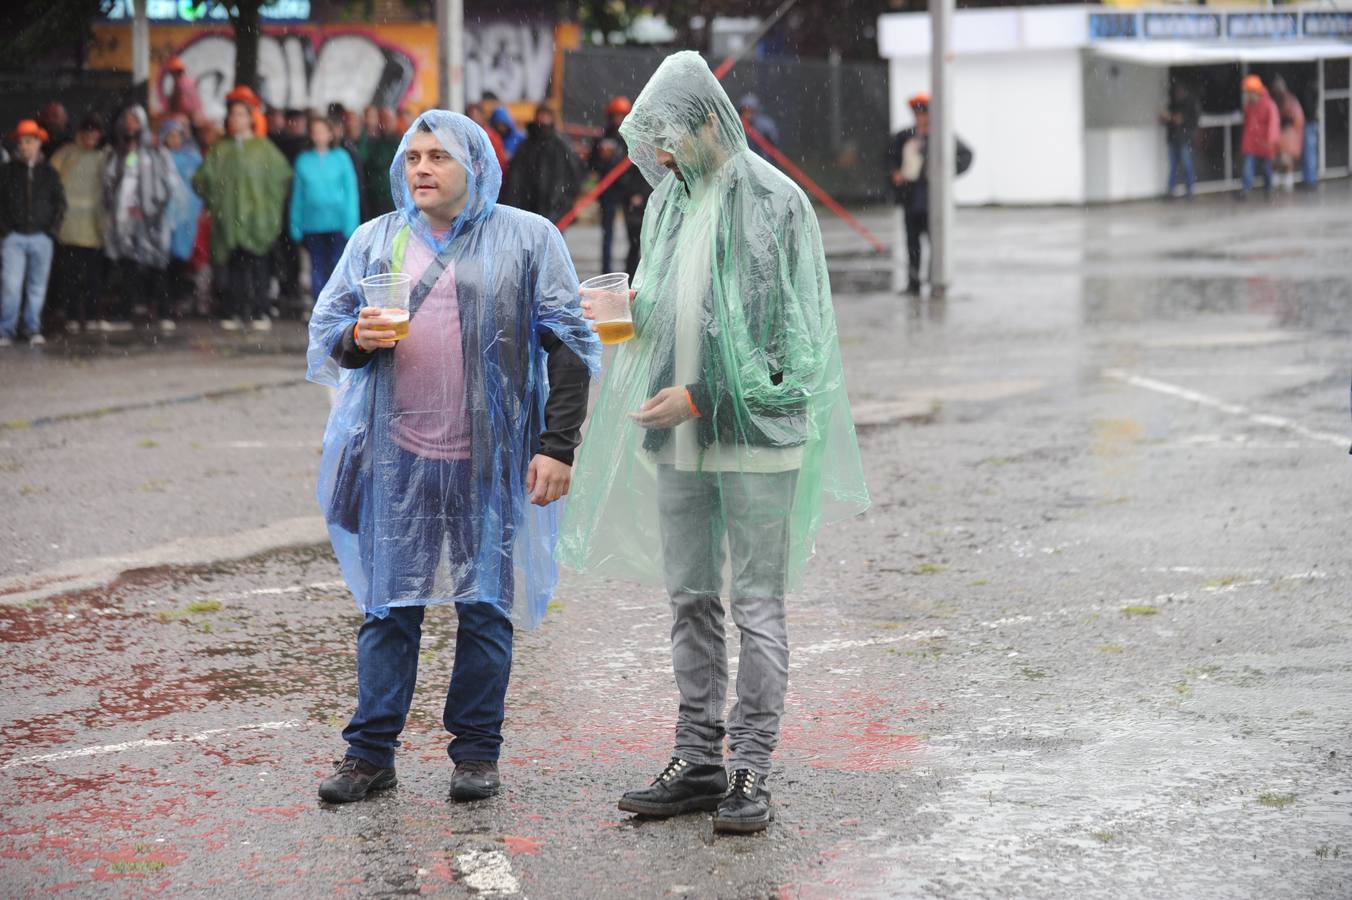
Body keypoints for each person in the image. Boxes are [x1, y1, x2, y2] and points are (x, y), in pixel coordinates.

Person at [556, 51, 870, 835]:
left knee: (757, 607)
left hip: (758, 441)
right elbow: (672, 303)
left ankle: (750, 770)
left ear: (705, 122)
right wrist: (630, 310)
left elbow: (794, 345)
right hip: (680, 437)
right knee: (690, 600)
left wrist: (705, 394)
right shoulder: (670, 204)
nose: (657, 154)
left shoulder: (774, 202)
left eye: (666, 135)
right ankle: (698, 760)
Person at [306, 110, 599, 805]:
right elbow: (329, 333)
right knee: (388, 609)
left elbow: (572, 346)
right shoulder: (377, 241)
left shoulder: (529, 238)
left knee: (485, 606)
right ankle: (369, 754)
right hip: (396, 458)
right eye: (412, 158)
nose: (422, 170)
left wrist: (558, 447)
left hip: (487, 462)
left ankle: (476, 752)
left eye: (438, 156)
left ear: (477, 166)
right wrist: (358, 336)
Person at [193, 98, 292, 331]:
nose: (237, 119)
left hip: (258, 219)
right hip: (229, 219)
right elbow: (202, 179)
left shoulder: (263, 148)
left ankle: (260, 309)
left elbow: (281, 178)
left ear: (250, 118)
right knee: (233, 266)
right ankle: (233, 309)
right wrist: (217, 203)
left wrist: (267, 209)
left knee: (259, 266)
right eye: (233, 114)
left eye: (241, 114)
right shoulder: (221, 149)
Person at [103, 105, 182, 332]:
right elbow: (111, 181)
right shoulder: (119, 153)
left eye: (134, 120)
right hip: (124, 218)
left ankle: (163, 311)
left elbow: (168, 183)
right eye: (126, 120)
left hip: (152, 218)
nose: (130, 125)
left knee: (157, 264)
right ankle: (125, 311)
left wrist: (151, 207)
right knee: (128, 264)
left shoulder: (156, 152)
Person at [886, 92, 973, 295]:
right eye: (917, 114)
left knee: (936, 245)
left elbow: (965, 155)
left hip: (933, 201)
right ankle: (914, 283)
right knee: (912, 244)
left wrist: (945, 172)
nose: (920, 118)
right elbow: (890, 159)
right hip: (911, 199)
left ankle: (937, 283)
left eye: (924, 113)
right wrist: (895, 174)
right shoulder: (905, 136)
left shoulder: (942, 137)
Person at [0, 119, 65, 346]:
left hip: (40, 236)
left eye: (29, 141)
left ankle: (32, 328)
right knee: (11, 285)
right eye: (22, 142)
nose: (25, 146)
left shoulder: (49, 172)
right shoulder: (7, 172)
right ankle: (6, 329)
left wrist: (50, 231)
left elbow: (59, 203)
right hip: (14, 237)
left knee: (37, 286)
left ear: (38, 143)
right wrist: (5, 231)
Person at [290, 114, 359, 310]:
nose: (319, 135)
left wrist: (351, 222)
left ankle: (337, 308)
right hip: (312, 223)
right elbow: (298, 195)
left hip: (338, 223)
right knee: (317, 266)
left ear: (330, 134)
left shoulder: (342, 158)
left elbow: (351, 192)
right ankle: (320, 308)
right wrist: (295, 223)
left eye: (323, 131)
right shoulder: (303, 160)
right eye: (315, 132)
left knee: (338, 266)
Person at [50, 113, 108, 332]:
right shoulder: (67, 154)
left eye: (95, 135)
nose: (90, 139)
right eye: (87, 134)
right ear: (81, 134)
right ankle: (73, 315)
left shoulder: (104, 156)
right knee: (71, 276)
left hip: (93, 226)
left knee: (92, 276)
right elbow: (51, 179)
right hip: (70, 227)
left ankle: (91, 316)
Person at [588, 96, 651, 278]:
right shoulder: (604, 137)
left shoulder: (633, 137)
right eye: (615, 116)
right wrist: (602, 162)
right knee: (607, 234)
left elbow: (639, 166)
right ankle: (606, 272)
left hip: (628, 192)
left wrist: (638, 192)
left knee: (634, 235)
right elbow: (593, 163)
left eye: (622, 115)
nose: (619, 120)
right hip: (609, 192)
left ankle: (631, 272)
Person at [501, 104, 583, 223]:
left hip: (554, 205)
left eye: (546, 116)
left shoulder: (560, 145)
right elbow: (516, 176)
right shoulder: (526, 145)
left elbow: (574, 173)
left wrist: (565, 199)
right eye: (541, 115)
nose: (542, 119)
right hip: (530, 205)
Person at [159, 118, 204, 317]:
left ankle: (175, 302)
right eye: (171, 136)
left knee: (180, 259)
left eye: (178, 136)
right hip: (163, 216)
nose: (174, 140)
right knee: (163, 260)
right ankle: (165, 303)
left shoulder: (192, 159)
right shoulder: (157, 158)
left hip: (186, 216)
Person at [357, 107, 401, 219]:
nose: (388, 124)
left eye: (390, 120)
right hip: (375, 196)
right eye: (385, 120)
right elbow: (362, 157)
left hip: (393, 196)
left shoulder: (400, 141)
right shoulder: (372, 142)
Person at [1239, 74, 1278, 198]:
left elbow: (1273, 124)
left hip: (1264, 143)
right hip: (1251, 142)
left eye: (1250, 93)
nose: (1248, 96)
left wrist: (1271, 141)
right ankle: (1246, 190)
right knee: (1248, 167)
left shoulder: (1268, 104)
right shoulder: (1249, 105)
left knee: (1266, 169)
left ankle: (1269, 189)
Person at [1161, 81, 1200, 198]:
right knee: (1173, 165)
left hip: (1184, 139)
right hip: (1174, 138)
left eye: (1180, 91)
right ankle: (1171, 189)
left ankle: (1190, 189)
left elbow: (1193, 120)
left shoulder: (1190, 103)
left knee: (1186, 163)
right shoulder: (1173, 103)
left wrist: (1182, 120)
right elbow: (1169, 119)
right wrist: (1167, 118)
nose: (1178, 93)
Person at [1270, 75, 1305, 193]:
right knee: (1275, 158)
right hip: (1279, 133)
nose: (1277, 88)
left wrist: (1283, 122)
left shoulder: (1289, 99)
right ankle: (1276, 182)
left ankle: (1288, 183)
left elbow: (1293, 117)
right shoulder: (1275, 99)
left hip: (1289, 133)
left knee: (1286, 158)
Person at [466, 102, 508, 175]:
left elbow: (500, 162)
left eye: (476, 116)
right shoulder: (463, 137)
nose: (473, 119)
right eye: (470, 117)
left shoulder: (492, 137)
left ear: (482, 117)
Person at [737, 94, 780, 162]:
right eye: (744, 110)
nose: (747, 114)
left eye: (749, 110)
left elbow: (774, 145)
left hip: (764, 161)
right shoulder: (737, 124)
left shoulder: (766, 125)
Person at [163, 57, 204, 127]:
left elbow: (176, 102)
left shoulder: (178, 83)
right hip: (197, 113)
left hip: (186, 115)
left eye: (171, 73)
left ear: (174, 72)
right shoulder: (190, 81)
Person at [1300, 80, 1320, 189]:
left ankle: (1310, 180)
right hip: (1310, 122)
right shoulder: (1311, 92)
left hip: (1309, 123)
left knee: (1309, 153)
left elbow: (1309, 109)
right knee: (1310, 153)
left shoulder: (1308, 92)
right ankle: (1309, 179)